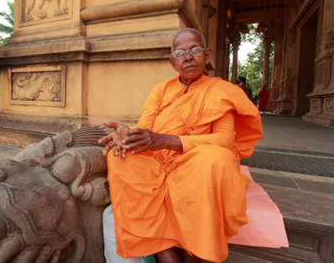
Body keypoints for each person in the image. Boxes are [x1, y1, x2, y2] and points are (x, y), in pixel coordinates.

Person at [99, 28, 264, 262]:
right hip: (159, 159)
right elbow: (145, 126)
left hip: (194, 159)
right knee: (120, 157)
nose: (188, 57)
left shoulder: (223, 92)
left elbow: (224, 140)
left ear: (207, 56)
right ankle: (164, 250)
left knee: (216, 160)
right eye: (180, 53)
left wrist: (167, 140)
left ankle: (197, 253)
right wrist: (126, 135)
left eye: (194, 50)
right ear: (172, 61)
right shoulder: (160, 90)